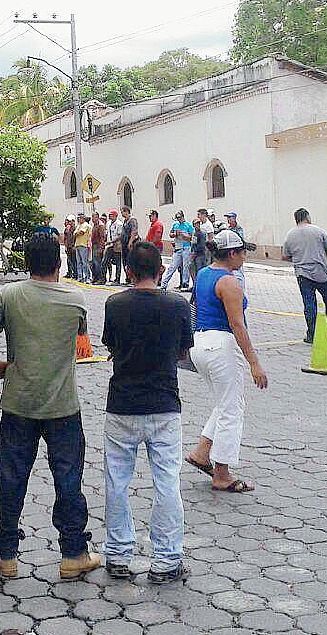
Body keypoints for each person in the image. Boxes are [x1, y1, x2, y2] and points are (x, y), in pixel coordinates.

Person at [0, 233, 99, 580]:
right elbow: (81, 340)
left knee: (10, 478)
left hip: (18, 403)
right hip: (63, 406)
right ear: (58, 262)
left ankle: (6, 555)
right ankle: (73, 553)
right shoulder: (75, 298)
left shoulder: (9, 294)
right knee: (68, 480)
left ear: (26, 262)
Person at [100, 241, 192, 583]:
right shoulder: (178, 305)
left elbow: (111, 345)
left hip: (122, 404)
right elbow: (183, 352)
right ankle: (167, 560)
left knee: (117, 481)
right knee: (167, 482)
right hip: (165, 404)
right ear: (160, 270)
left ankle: (118, 554)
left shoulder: (114, 304)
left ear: (128, 270)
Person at [184, 230, 268, 492]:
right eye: (242, 251)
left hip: (201, 342)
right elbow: (237, 324)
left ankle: (202, 451)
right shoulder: (229, 282)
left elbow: (195, 308)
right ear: (232, 253)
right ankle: (222, 472)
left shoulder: (204, 274)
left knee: (224, 401)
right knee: (232, 408)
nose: (244, 256)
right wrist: (254, 362)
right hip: (221, 345)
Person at [282, 208, 327, 344]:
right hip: (322, 273)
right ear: (307, 217)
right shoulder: (318, 230)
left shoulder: (290, 235)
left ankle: (312, 334)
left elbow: (285, 256)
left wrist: (298, 259)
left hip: (303, 274)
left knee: (309, 304)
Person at [161, 211, 194, 291]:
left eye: (180, 218)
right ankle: (164, 284)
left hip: (186, 247)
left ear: (183, 217)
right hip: (177, 247)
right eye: (177, 218)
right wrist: (175, 234)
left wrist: (183, 235)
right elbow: (171, 234)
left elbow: (192, 237)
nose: (179, 220)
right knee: (172, 266)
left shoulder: (188, 225)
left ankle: (185, 283)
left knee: (185, 267)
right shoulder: (175, 224)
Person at [188, 208, 214, 285]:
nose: (198, 216)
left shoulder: (208, 225)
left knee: (202, 269)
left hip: (204, 250)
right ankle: (195, 285)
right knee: (193, 267)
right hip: (196, 250)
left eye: (199, 214)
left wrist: (208, 251)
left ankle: (204, 285)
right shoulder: (201, 225)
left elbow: (210, 238)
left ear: (203, 215)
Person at [119, 206, 139, 284]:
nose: (122, 214)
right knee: (125, 261)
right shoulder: (125, 221)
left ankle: (133, 279)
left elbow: (134, 232)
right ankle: (128, 278)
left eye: (122, 212)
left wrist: (130, 242)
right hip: (124, 244)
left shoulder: (132, 220)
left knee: (131, 261)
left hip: (131, 244)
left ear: (127, 211)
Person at [105, 210, 124, 284]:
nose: (110, 217)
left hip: (117, 245)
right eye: (110, 215)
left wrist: (112, 241)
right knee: (105, 261)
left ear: (116, 216)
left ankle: (117, 279)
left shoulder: (119, 224)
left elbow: (120, 236)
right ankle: (103, 278)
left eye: (112, 215)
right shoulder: (108, 223)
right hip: (109, 245)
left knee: (117, 262)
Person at [73, 213, 92, 284]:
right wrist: (77, 233)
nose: (78, 219)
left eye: (80, 218)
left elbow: (81, 232)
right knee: (79, 262)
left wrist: (77, 233)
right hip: (77, 244)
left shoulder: (86, 225)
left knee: (85, 262)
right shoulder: (78, 226)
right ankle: (80, 277)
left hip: (84, 245)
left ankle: (88, 277)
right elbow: (74, 234)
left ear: (83, 218)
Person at [90, 212, 107, 285]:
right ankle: (95, 277)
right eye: (92, 217)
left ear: (97, 217)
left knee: (98, 263)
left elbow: (102, 237)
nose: (93, 219)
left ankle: (101, 278)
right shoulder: (94, 226)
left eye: (94, 217)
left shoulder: (100, 226)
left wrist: (101, 247)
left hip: (98, 245)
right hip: (94, 245)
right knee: (94, 263)